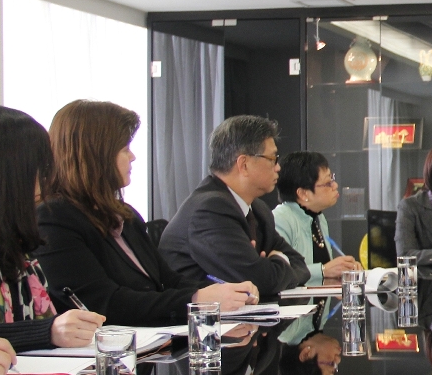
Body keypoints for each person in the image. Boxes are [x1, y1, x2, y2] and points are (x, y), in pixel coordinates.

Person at [37, 100, 256, 325]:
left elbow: (169, 281)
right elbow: (105, 303)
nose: (132, 157)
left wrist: (227, 293)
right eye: (125, 149)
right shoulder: (54, 219)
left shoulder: (125, 215)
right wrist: (196, 300)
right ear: (96, 155)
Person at [0, 106, 105, 352]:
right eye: (35, 168)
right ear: (5, 172)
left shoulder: (10, 231)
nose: (45, 179)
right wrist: (47, 331)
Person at [160, 116, 309, 300]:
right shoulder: (209, 210)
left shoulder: (258, 209)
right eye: (272, 158)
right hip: (200, 317)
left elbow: (300, 266)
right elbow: (261, 281)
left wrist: (273, 265)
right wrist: (280, 260)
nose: (278, 167)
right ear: (243, 164)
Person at [272, 151, 362, 285]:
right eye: (328, 183)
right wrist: (323, 270)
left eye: (332, 179)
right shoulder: (280, 219)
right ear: (303, 193)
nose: (335, 185)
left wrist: (345, 268)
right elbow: (279, 273)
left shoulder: (319, 217)